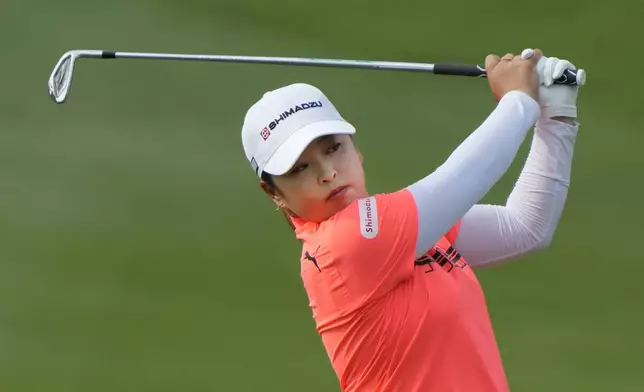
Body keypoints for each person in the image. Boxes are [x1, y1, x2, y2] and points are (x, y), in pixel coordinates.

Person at [240, 48, 581, 392]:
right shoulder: (344, 244)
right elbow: (464, 178)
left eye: (333, 148)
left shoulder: (404, 229)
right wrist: (518, 101)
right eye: (300, 168)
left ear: (356, 149)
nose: (327, 172)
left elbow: (524, 228)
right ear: (274, 193)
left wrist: (557, 115)